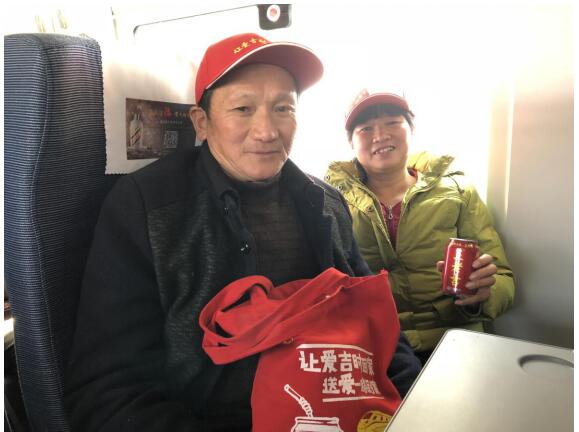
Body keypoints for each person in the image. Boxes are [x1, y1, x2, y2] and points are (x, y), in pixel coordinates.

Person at [64, 35, 421, 431]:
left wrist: (417, 407)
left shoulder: (326, 203)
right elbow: (107, 394)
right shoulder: (144, 207)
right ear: (202, 123)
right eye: (243, 108)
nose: (267, 131)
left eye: (283, 108)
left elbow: (378, 327)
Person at [325, 89, 515, 364]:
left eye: (392, 122)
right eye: (365, 129)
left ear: (411, 130)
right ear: (351, 144)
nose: (380, 135)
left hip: (454, 341)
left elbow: (503, 278)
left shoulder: (459, 191)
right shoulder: (330, 202)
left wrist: (482, 295)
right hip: (373, 348)